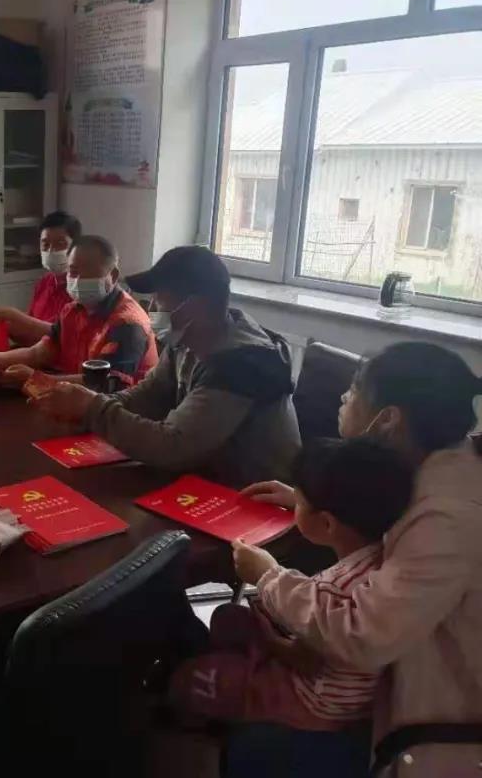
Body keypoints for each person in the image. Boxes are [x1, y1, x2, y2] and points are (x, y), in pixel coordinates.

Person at [234, 342, 482, 776]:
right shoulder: (440, 465)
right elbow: (386, 511)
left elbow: (361, 635)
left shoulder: (448, 517)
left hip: (427, 718)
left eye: (354, 390)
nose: (343, 398)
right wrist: (310, 500)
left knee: (250, 743)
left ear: (388, 419)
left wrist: (270, 578)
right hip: (391, 670)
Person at [171, 439, 414, 740]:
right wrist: (297, 499)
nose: (295, 506)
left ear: (327, 524)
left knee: (193, 676)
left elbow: (305, 660)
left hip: (311, 701)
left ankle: (191, 723)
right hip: (343, 682)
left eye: (299, 502)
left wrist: (270, 632)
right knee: (229, 617)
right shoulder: (385, 558)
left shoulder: (331, 591)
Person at [29, 246, 300, 487]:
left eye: (158, 299)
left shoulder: (241, 364)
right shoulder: (186, 339)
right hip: (208, 477)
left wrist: (93, 408)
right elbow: (148, 395)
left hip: (257, 499)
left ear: (195, 306)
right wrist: (85, 410)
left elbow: (174, 447)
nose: (150, 307)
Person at [0, 235, 157, 388]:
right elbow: (39, 353)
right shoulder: (72, 310)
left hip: (119, 414)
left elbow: (107, 384)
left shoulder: (128, 324)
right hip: (76, 401)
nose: (78, 279)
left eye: (88, 271)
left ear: (112, 275)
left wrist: (37, 379)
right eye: (73, 271)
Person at [0, 211, 82, 346]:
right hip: (33, 353)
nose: (51, 250)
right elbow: (30, 332)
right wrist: (1, 324)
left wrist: (13, 315)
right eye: (45, 244)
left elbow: (60, 337)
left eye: (60, 243)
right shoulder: (45, 282)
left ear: (76, 247)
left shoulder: (81, 289)